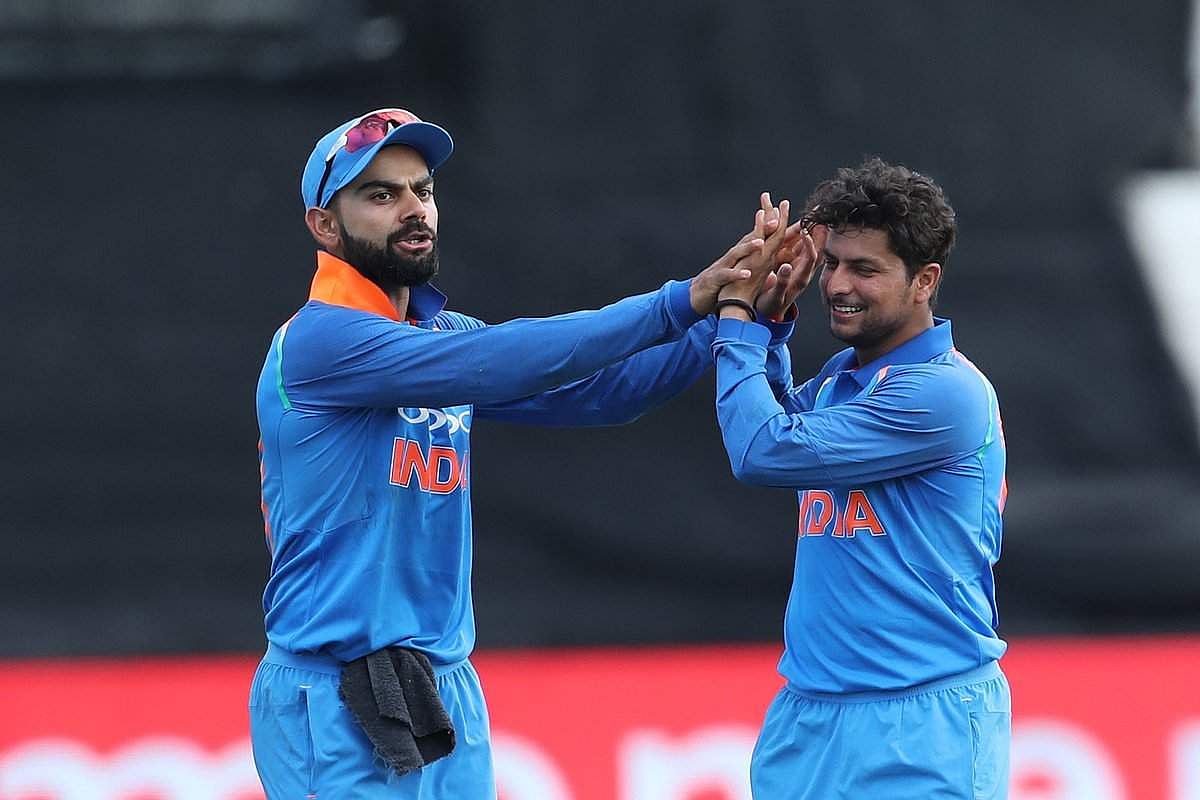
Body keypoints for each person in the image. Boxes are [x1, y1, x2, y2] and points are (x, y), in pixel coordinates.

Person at [249, 107, 807, 798]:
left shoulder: (437, 337)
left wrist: (744, 311)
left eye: (423, 190)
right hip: (334, 696)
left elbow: (607, 392)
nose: (414, 208)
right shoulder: (319, 343)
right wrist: (682, 301)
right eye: (381, 194)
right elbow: (507, 358)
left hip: (442, 687)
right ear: (324, 226)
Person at [710, 158, 1010, 799]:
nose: (838, 284)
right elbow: (769, 420)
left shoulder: (944, 393)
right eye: (832, 263)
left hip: (920, 720)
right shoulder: (842, 379)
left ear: (925, 280)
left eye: (865, 269)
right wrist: (771, 323)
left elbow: (762, 450)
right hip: (809, 715)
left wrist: (737, 313)